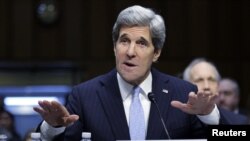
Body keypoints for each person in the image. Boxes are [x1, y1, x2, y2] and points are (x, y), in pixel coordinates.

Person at [34, 5, 229, 141]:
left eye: (141, 43)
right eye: (124, 41)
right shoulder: (85, 96)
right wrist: (53, 128)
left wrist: (209, 117)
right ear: (114, 46)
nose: (130, 52)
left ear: (157, 52)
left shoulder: (184, 92)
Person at [183, 58, 249, 125]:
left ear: (218, 85)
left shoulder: (240, 122)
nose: (207, 86)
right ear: (187, 84)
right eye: (199, 80)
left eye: (211, 80)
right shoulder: (176, 121)